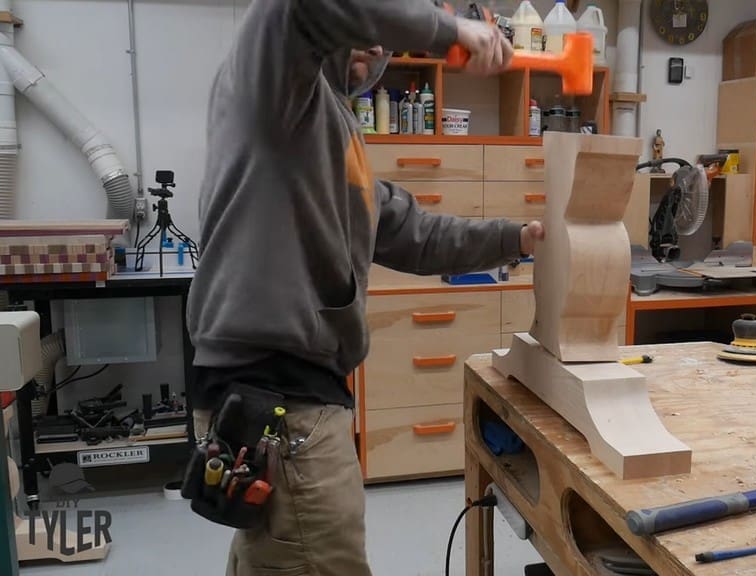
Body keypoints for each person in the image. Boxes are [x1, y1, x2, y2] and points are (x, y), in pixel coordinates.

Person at [184, 1, 543, 574]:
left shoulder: (332, 129)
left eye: (383, 38)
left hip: (292, 396)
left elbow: (413, 232)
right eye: (372, 23)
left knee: (277, 559)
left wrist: (518, 238)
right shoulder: (273, 81)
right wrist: (452, 29)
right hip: (276, 396)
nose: (376, 44)